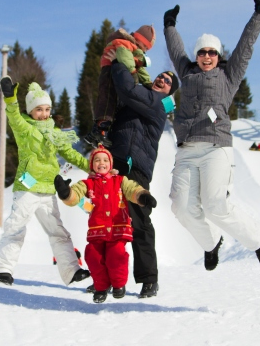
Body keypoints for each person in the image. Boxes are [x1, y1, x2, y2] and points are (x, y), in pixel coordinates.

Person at [163, 0, 260, 272]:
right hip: (187, 150)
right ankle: (211, 243)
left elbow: (245, 46)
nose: (206, 56)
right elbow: (175, 49)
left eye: (212, 52)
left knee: (215, 204)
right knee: (181, 207)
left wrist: (258, 13)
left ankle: (259, 240)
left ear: (218, 55)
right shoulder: (186, 72)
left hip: (216, 147)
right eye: (202, 52)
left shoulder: (229, 75)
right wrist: (169, 26)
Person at [0, 77, 91, 287]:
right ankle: (2, 270)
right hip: (27, 187)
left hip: (48, 189)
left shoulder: (55, 134)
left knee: (58, 232)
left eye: (47, 109)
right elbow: (14, 117)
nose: (44, 114)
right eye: (39, 110)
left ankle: (71, 271)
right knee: (16, 228)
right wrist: (10, 98)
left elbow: (71, 154)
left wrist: (94, 167)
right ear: (31, 111)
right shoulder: (25, 129)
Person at [94, 61, 178, 298]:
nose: (161, 79)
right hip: (114, 165)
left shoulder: (156, 104)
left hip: (136, 169)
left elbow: (128, 89)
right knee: (106, 223)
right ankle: (105, 279)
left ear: (169, 92)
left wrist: (119, 62)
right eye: (161, 76)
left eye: (167, 81)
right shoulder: (141, 100)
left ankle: (149, 279)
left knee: (138, 224)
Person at [54, 146, 157, 303]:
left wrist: (143, 196)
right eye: (97, 160)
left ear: (110, 164)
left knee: (116, 255)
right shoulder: (87, 183)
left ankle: (118, 285)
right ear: (92, 165)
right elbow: (75, 195)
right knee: (92, 255)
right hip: (97, 231)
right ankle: (101, 287)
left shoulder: (120, 180)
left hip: (118, 228)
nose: (101, 163)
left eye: (105, 160)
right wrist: (65, 193)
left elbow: (132, 189)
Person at [85, 24, 156, 148]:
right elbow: (125, 59)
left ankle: (98, 131)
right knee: (108, 99)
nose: (144, 50)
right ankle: (100, 130)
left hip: (113, 71)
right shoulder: (125, 44)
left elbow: (140, 68)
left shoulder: (133, 49)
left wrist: (148, 82)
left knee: (112, 101)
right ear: (139, 39)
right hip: (109, 71)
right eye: (145, 46)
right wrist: (133, 74)